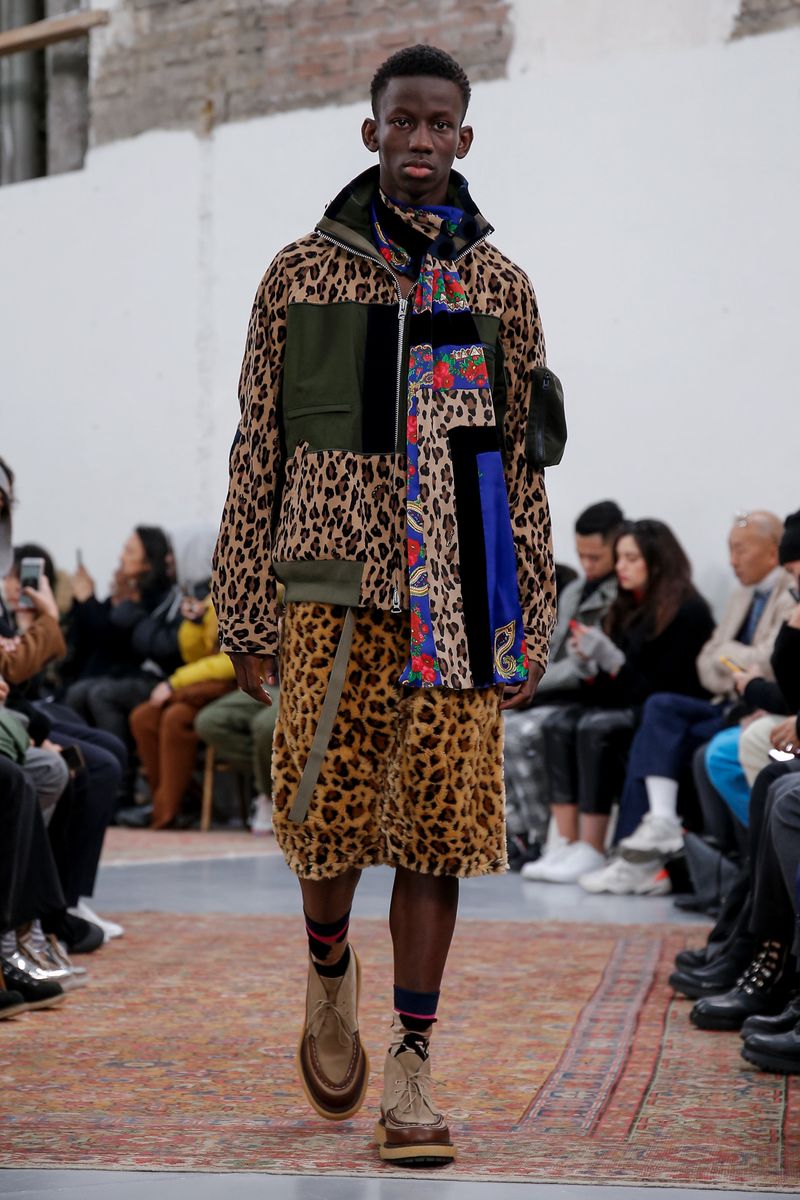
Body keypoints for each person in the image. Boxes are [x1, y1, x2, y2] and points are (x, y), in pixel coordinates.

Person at [212, 45, 561, 1165]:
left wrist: (529, 610)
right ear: (371, 134)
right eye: (401, 121)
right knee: (321, 813)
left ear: (464, 138)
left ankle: (412, 1064)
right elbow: (257, 445)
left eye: (438, 123)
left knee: (438, 829)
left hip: (458, 594)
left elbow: (523, 465)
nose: (419, 140)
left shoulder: (501, 288)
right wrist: (242, 604)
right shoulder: (298, 275)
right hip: (330, 588)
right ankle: (328, 967)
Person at [595, 511, 795, 888]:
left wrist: (729, 658)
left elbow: (770, 662)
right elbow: (706, 663)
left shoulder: (787, 594)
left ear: (773, 552)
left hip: (761, 705)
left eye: (740, 550)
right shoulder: (742, 593)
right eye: (729, 550)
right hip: (728, 702)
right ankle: (651, 834)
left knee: (687, 742)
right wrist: (737, 665)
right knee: (655, 716)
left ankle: (734, 863)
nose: (732, 560)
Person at [523, 519, 714, 886]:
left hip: (670, 712)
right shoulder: (628, 606)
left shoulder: (687, 611)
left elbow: (656, 692)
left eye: (631, 558)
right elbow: (614, 689)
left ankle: (593, 845)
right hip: (634, 704)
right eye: (620, 557)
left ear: (656, 562)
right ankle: (566, 842)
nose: (621, 566)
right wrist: (590, 667)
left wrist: (614, 663)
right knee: (559, 724)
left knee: (595, 728)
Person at [503, 500, 622, 868]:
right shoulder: (575, 591)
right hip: (552, 693)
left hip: (582, 697)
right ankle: (517, 833)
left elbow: (581, 666)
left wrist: (532, 680)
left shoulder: (618, 596)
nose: (587, 564)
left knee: (518, 734)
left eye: (595, 557)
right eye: (582, 555)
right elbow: (552, 649)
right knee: (497, 728)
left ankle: (542, 839)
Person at [123, 598, 236, 828]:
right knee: (144, 717)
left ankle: (166, 812)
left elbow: (233, 661)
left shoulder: (260, 593)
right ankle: (169, 803)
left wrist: (175, 683)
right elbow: (193, 656)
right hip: (203, 685)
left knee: (176, 717)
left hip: (239, 685)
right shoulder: (215, 595)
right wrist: (194, 624)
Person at [194, 683, 279, 835]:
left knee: (265, 726)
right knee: (208, 722)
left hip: (299, 687)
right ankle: (274, 779)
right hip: (264, 683)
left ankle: (268, 794)